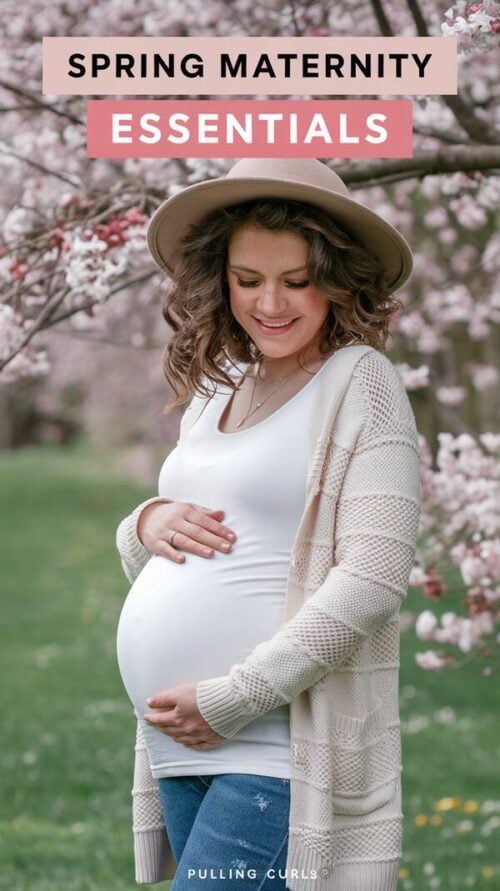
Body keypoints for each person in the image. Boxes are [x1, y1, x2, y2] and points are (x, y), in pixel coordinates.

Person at [115, 157, 421, 890]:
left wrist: (236, 697)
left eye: (296, 280)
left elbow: (374, 577)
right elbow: (201, 539)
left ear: (338, 280)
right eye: (249, 279)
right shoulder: (220, 384)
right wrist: (145, 523)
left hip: (275, 744)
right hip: (181, 743)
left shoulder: (362, 383)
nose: (270, 303)